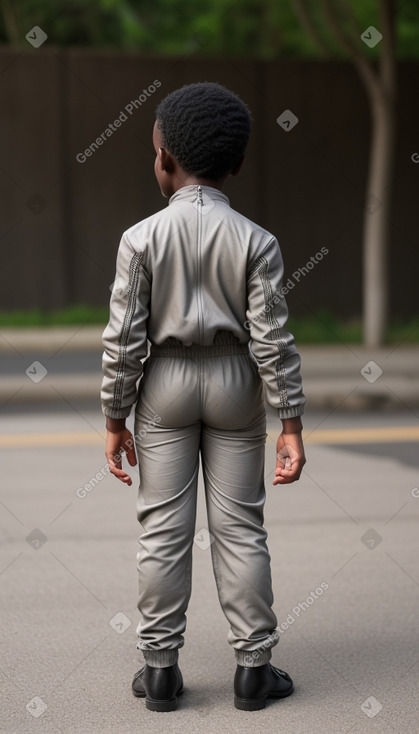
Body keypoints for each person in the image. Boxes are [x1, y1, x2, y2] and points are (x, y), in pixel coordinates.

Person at [100, 81, 306, 712]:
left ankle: (160, 671)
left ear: (164, 161)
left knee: (162, 529)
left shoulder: (140, 239)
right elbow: (272, 337)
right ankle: (253, 669)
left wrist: (114, 416)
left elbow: (124, 338)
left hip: (162, 385)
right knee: (241, 528)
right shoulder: (257, 240)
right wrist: (291, 421)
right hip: (235, 383)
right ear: (235, 164)